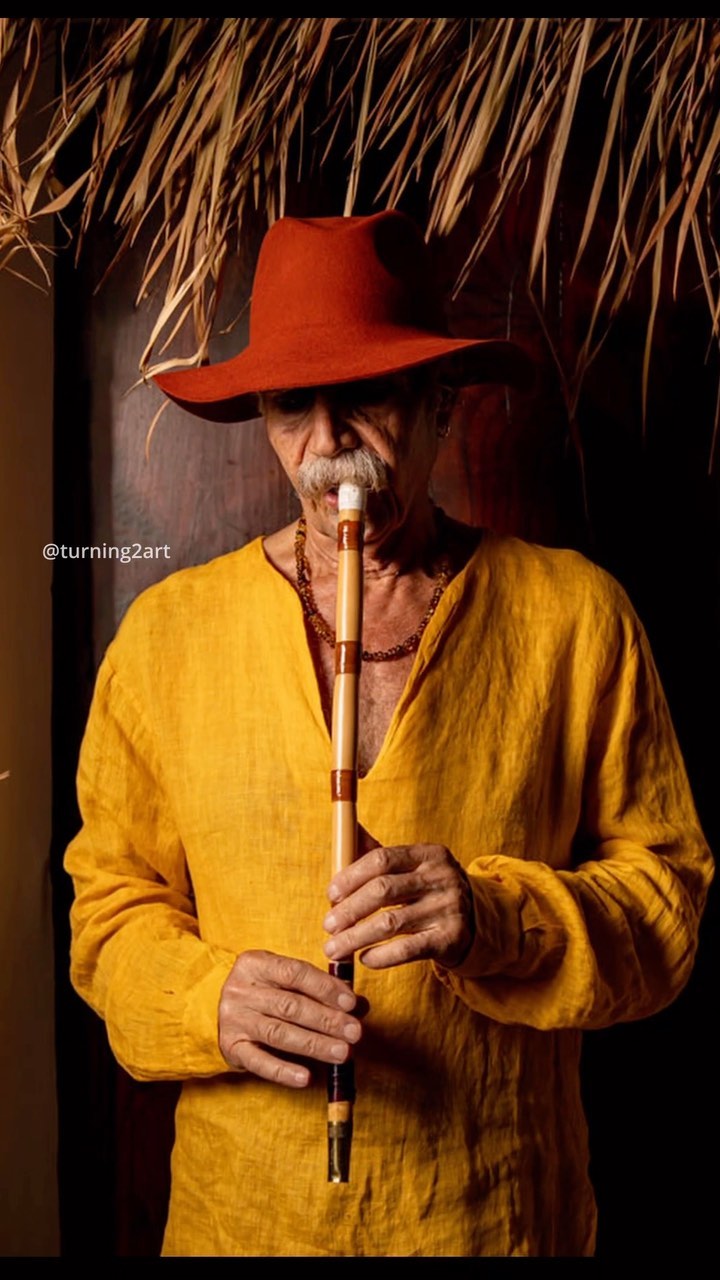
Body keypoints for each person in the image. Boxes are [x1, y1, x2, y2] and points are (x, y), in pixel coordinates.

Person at [65, 211, 713, 1257]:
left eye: (364, 393)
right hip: (244, 1224)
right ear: (264, 416)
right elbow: (106, 914)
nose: (327, 443)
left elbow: (669, 905)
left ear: (438, 399)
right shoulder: (166, 637)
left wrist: (497, 917)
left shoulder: (576, 613)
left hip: (497, 1223)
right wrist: (206, 999)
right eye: (293, 404)